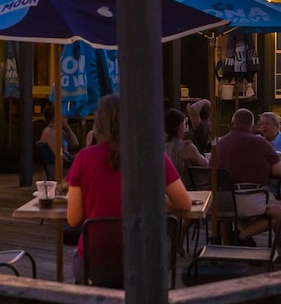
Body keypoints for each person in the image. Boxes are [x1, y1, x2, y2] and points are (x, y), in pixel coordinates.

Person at [66, 94, 193, 259]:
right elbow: (184, 204)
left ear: (99, 123)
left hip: (96, 258)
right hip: (144, 259)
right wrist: (153, 200)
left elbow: (74, 219)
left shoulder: (84, 158)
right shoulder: (154, 155)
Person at [212, 107, 281, 229]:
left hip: (218, 201)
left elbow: (211, 168)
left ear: (233, 123)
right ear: (252, 125)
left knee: (234, 215)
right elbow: (279, 170)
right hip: (247, 198)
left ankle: (228, 242)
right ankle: (244, 234)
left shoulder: (220, 143)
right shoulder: (260, 142)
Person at [33, 100, 75, 180]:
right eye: (63, 116)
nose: (66, 118)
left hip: (64, 163)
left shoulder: (59, 131)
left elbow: (74, 143)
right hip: (56, 168)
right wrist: (74, 162)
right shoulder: (49, 132)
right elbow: (58, 155)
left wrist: (68, 129)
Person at [164, 108, 207, 180]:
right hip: (183, 187)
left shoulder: (158, 146)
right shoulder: (186, 147)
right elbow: (204, 164)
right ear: (180, 125)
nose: (186, 128)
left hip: (162, 188)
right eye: (184, 124)